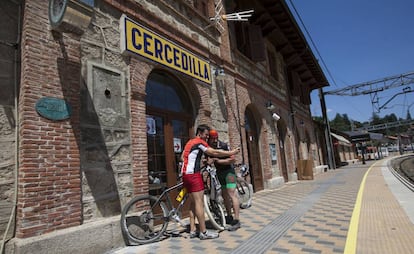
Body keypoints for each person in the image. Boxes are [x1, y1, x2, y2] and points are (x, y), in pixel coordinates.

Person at [181, 124, 240, 240]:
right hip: (195, 175)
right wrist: (231, 152)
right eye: (207, 135)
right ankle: (203, 232)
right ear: (200, 133)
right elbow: (214, 153)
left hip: (227, 172)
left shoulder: (190, 142)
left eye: (211, 136)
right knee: (199, 202)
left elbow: (183, 157)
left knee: (194, 202)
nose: (208, 138)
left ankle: (193, 229)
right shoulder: (200, 142)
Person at [207, 129, 241, 231]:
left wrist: (218, 161)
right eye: (211, 138)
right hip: (220, 173)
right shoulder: (209, 148)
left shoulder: (224, 145)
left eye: (215, 138)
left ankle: (237, 219)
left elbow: (232, 159)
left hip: (229, 173)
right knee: (224, 195)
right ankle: (229, 216)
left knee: (232, 194)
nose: (213, 140)